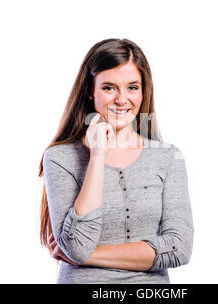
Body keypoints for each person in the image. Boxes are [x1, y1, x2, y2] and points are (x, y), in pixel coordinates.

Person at [38, 38, 194, 283]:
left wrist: (86, 256)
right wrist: (97, 156)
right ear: (90, 90)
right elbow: (77, 244)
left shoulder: (167, 158)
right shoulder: (60, 158)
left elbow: (178, 248)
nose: (122, 99)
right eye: (109, 87)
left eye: (132, 87)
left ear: (144, 91)